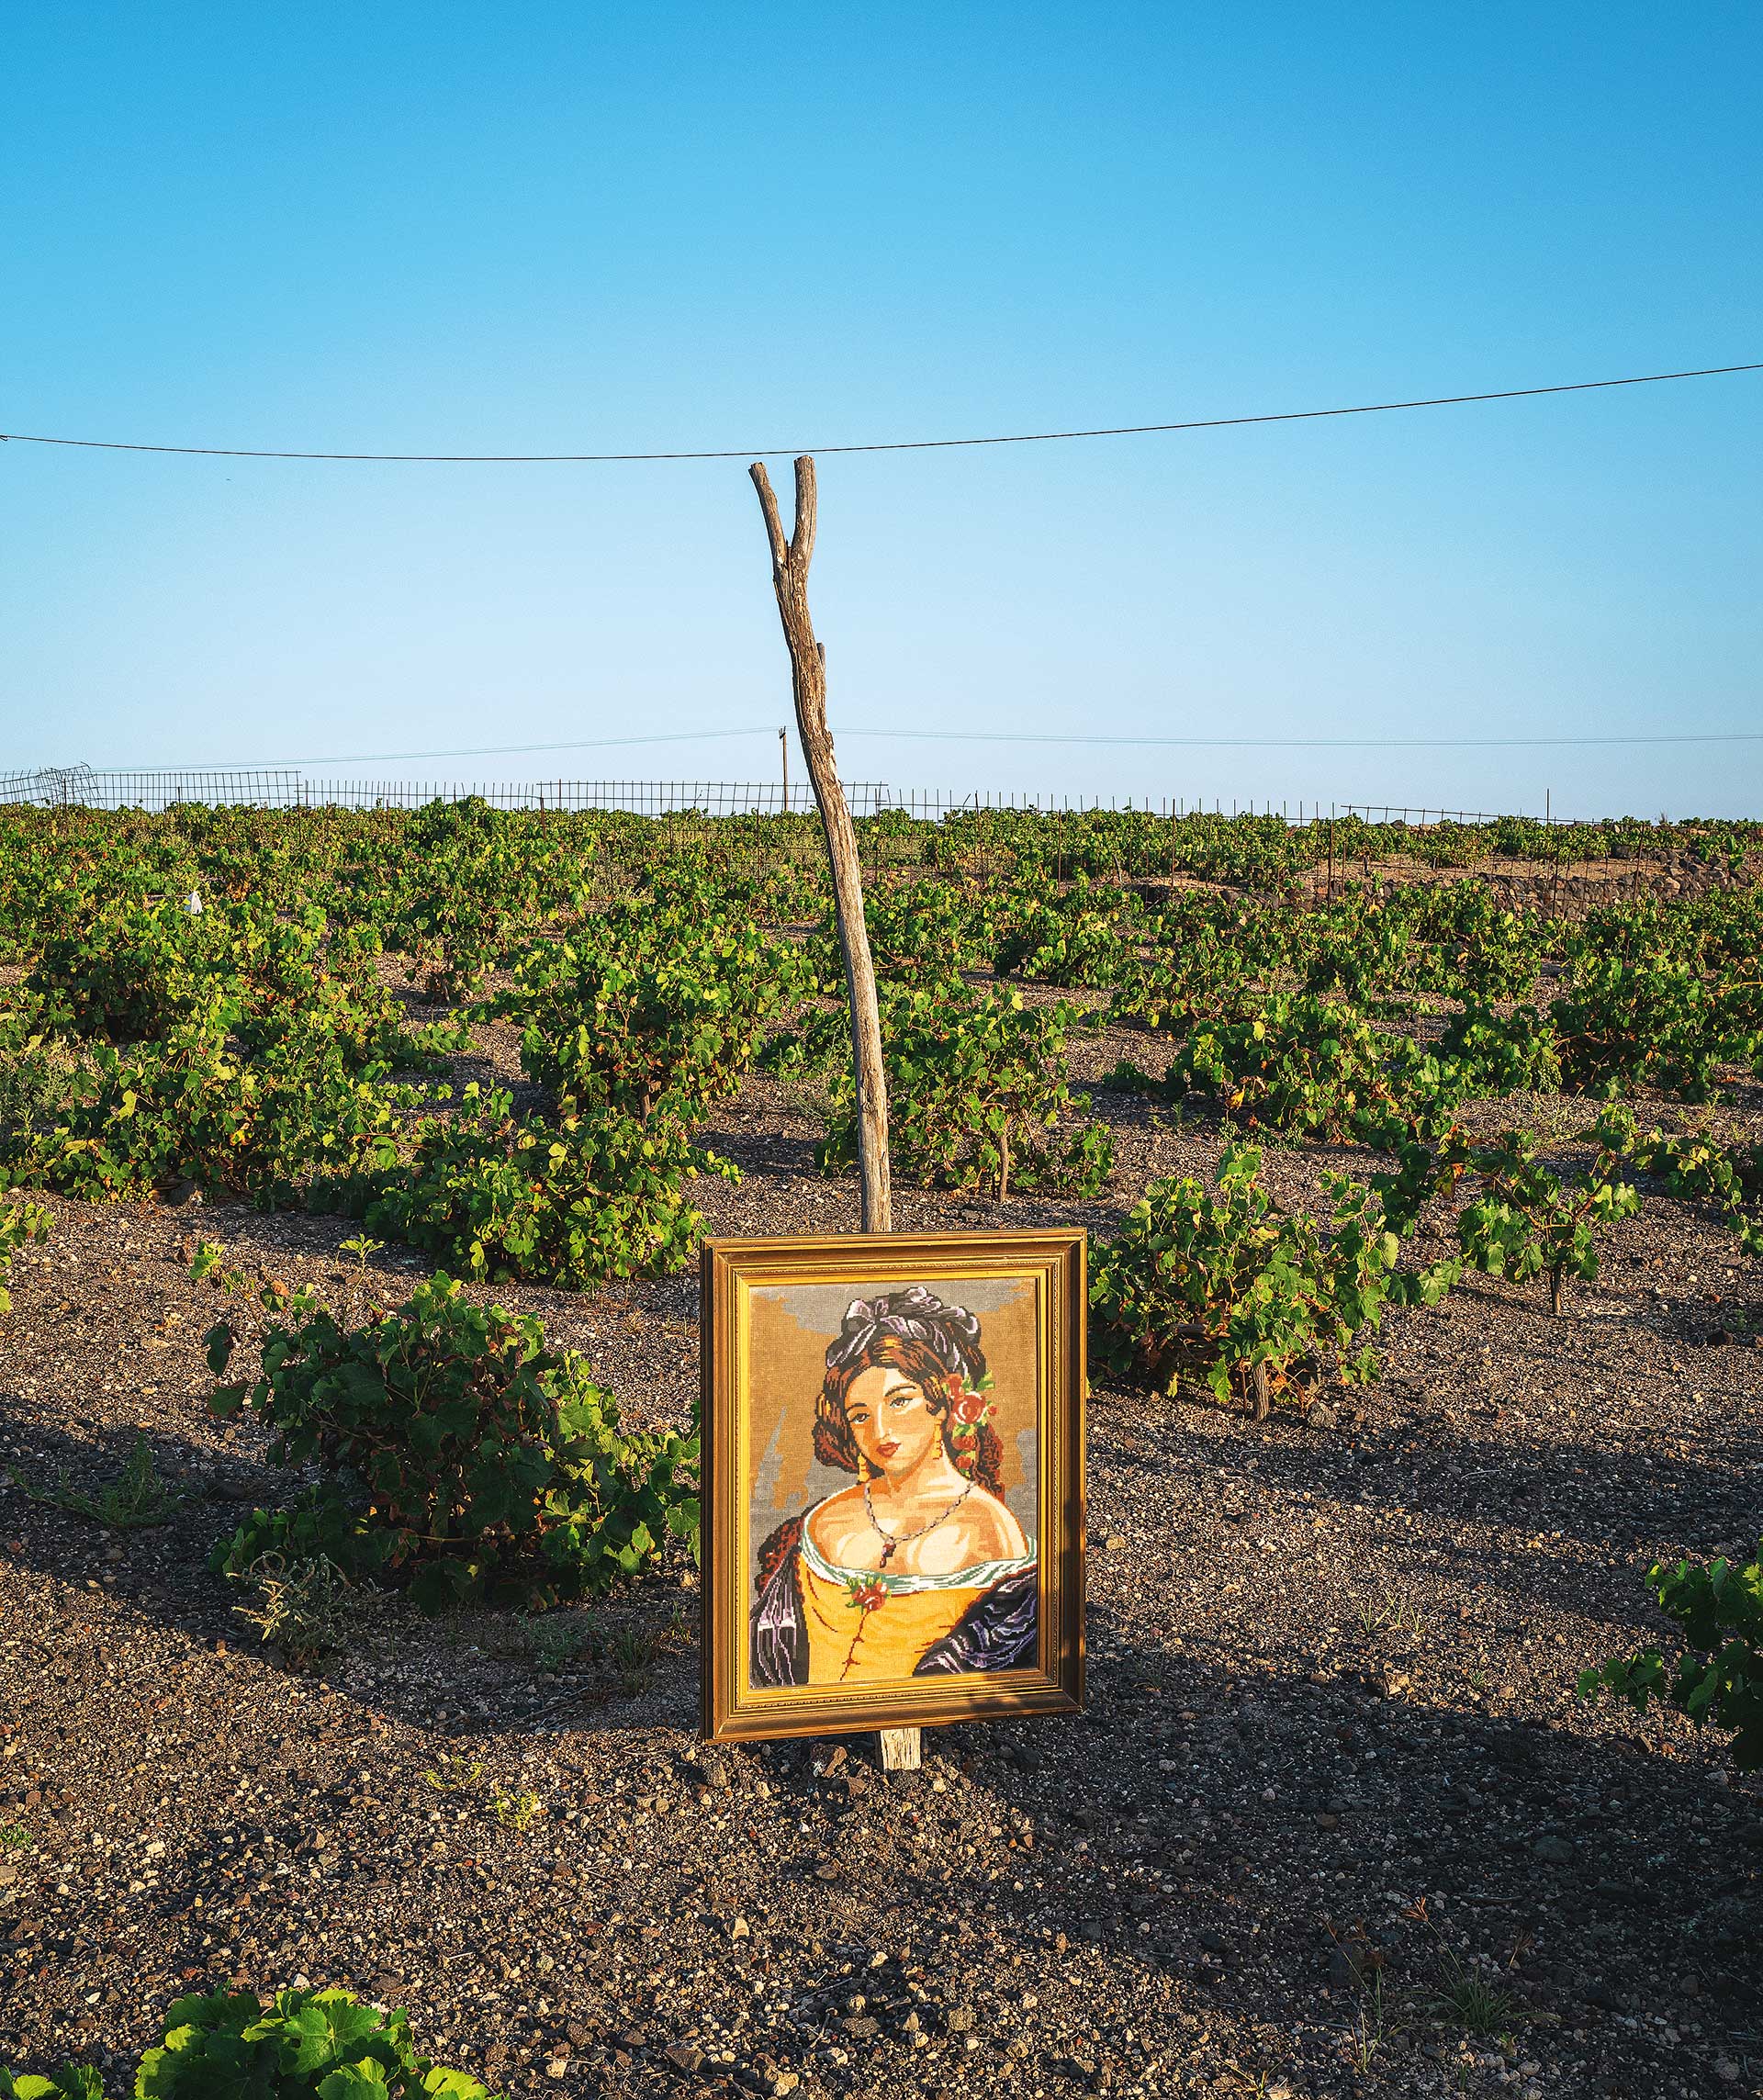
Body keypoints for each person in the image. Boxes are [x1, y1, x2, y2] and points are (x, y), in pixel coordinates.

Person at [751, 1286, 1038, 1686]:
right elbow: (770, 1649)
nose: (880, 1430)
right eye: (860, 1416)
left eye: (899, 1401)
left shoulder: (989, 1530)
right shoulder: (827, 1520)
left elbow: (999, 1668)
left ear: (940, 1404)